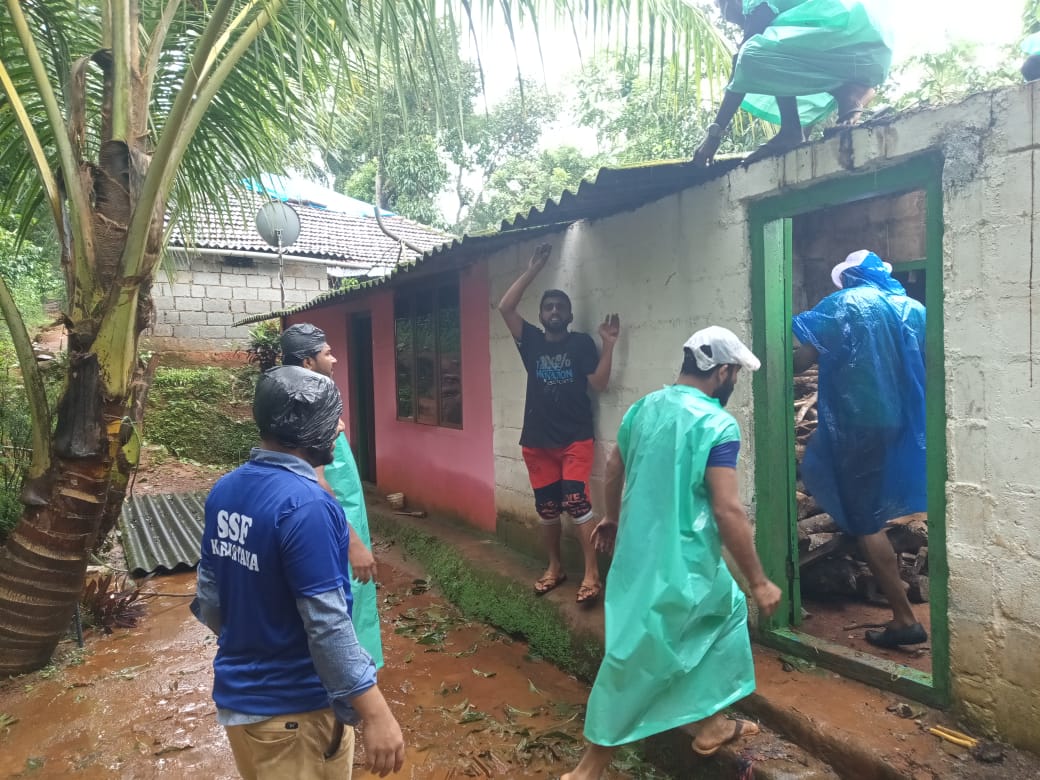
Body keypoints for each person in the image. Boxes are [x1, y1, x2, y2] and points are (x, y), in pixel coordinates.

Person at [562, 327, 782, 780]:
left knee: (723, 613)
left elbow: (614, 467)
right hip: (685, 562)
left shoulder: (643, 408)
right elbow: (727, 508)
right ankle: (588, 769)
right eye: (735, 374)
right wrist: (759, 580)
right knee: (638, 658)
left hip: (638, 558)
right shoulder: (718, 424)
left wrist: (612, 517)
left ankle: (711, 722)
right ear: (722, 371)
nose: (733, 381)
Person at [192, 365, 404, 778]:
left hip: (243, 711)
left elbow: (210, 596)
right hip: (295, 716)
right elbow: (327, 625)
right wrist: (377, 714)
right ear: (306, 427)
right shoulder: (308, 506)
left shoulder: (226, 489)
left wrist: (253, 642)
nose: (341, 426)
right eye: (333, 417)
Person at [792, 250, 928, 648]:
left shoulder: (844, 302)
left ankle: (904, 619)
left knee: (865, 520)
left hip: (859, 424)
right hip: (904, 422)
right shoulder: (913, 308)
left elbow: (801, 360)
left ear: (849, 276)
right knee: (874, 506)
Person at [498, 243, 620, 606]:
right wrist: (533, 269)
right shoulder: (531, 341)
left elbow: (599, 383)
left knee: (576, 502)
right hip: (537, 440)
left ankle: (592, 574)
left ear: (569, 315)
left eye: (560, 307)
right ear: (540, 314)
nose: (554, 311)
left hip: (574, 438)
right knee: (548, 509)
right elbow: (505, 307)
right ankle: (555, 567)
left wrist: (608, 345)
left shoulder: (581, 344)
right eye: (548, 307)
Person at [281, 323, 383, 669]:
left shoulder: (293, 398)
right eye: (327, 353)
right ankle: (352, 678)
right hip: (336, 523)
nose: (335, 359)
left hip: (336, 516)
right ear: (308, 362)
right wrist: (353, 543)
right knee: (345, 603)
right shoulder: (311, 405)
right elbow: (318, 479)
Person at [692, 0, 893, 167]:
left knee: (751, 55)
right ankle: (846, 94)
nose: (722, 14)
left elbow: (742, 63)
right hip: (866, 48)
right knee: (768, 47)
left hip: (855, 40)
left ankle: (840, 98)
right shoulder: (780, 15)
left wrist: (714, 136)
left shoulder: (757, 4)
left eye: (719, 5)